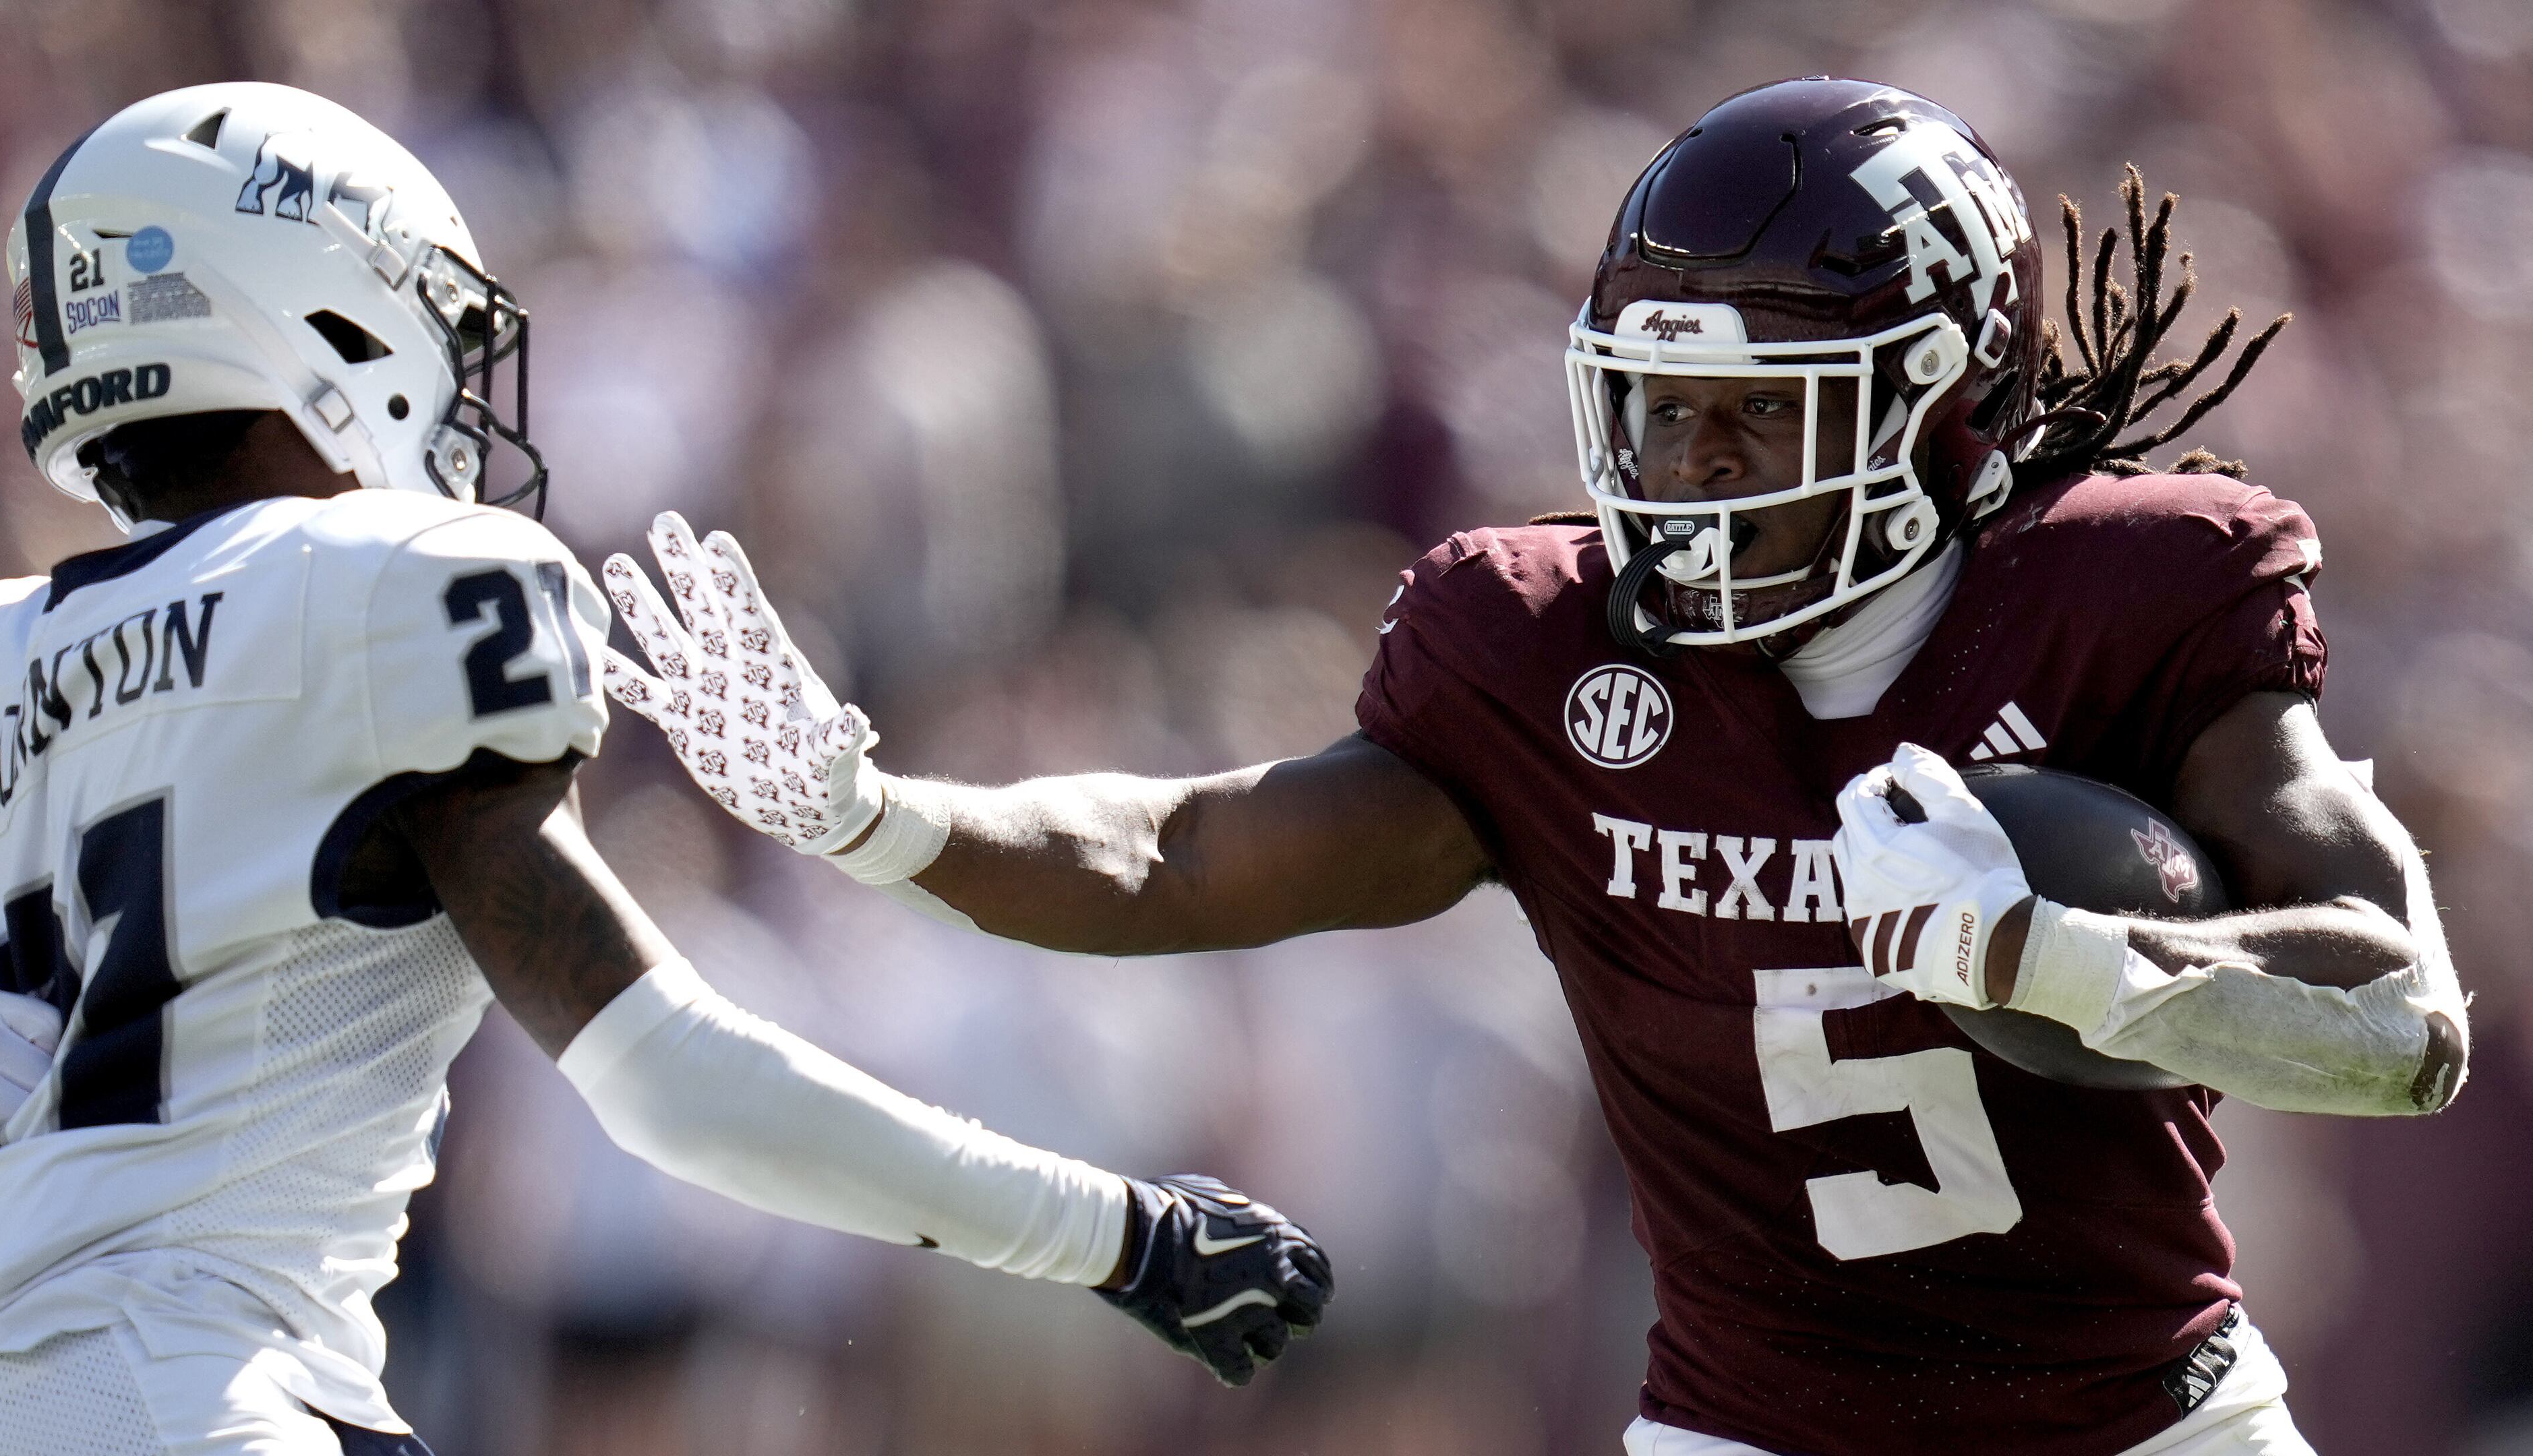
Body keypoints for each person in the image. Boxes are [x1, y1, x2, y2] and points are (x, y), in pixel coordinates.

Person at [606, 78, 2467, 1456]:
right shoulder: (1545, 649)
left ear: (1952, 415)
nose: (1691, 474)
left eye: (1762, 417)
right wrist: (878, 818)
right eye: (1662, 411)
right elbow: (1195, 854)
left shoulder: (2131, 598)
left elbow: (2406, 1025)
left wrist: (2049, 961)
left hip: (2142, 1428)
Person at [0, 82, 1329, 1456]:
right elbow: (658, 1069)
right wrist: (1113, 1232)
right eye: (426, 317)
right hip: (210, 1397)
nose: (452, 380)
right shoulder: (384, 587)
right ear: (307, 307)